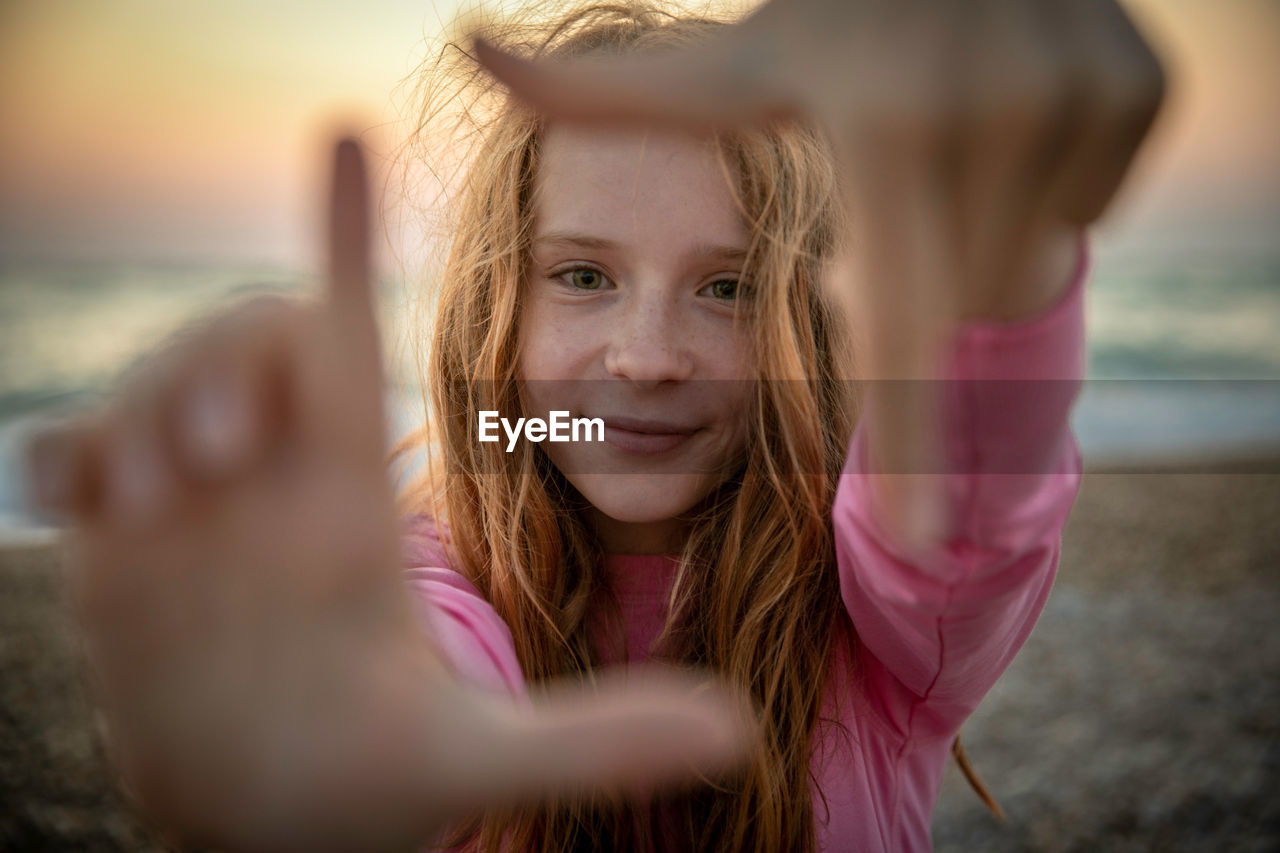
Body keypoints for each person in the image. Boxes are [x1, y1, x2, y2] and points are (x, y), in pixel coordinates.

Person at [24, 0, 1165, 850]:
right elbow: (420, 662)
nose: (648, 356)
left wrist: (1001, 256)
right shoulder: (436, 583)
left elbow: (962, 496)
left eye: (726, 288)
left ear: (805, 326)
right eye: (580, 275)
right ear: (492, 311)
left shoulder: (883, 623)